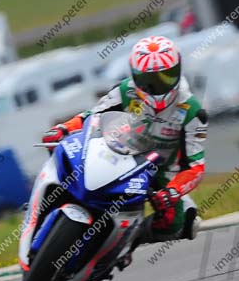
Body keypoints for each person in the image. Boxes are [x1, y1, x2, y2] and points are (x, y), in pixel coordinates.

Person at [42, 36, 208, 242]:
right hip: (119, 152)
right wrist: (64, 128)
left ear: (178, 70)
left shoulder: (192, 110)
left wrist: (172, 192)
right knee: (69, 166)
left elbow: (195, 167)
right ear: (135, 75)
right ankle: (48, 210)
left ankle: (128, 242)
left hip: (161, 170)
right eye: (149, 80)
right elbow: (91, 116)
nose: (157, 86)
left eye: (166, 77)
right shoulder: (125, 90)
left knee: (182, 224)